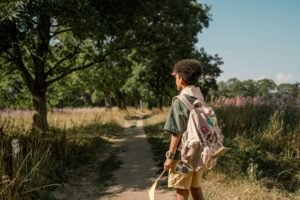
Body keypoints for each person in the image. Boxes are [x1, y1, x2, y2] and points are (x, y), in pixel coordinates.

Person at [163, 59, 205, 200]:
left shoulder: (180, 101)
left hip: (183, 157)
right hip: (198, 153)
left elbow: (177, 132)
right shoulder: (199, 98)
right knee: (195, 187)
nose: (175, 80)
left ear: (181, 78)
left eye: (175, 77)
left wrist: (169, 157)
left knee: (181, 189)